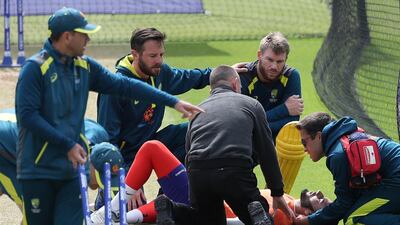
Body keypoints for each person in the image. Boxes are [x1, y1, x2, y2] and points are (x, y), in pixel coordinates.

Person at [14, 7, 203, 225]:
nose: (88, 40)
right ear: (67, 37)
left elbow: (125, 85)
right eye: (84, 34)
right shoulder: (35, 69)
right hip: (39, 167)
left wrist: (173, 101)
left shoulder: (83, 66)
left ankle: (114, 201)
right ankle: (109, 198)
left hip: (71, 166)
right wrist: (66, 144)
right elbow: (27, 116)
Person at [155, 65, 294, 225]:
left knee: (203, 218)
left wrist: (195, 194)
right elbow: (266, 150)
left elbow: (189, 152)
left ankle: (170, 208)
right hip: (233, 170)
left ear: (211, 90)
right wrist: (277, 191)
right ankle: (256, 215)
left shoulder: (197, 111)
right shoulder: (252, 105)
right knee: (257, 211)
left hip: (198, 171)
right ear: (235, 84)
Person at [97, 27, 246, 167]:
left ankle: (176, 187)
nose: (159, 61)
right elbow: (108, 140)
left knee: (198, 128)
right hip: (125, 156)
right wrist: (122, 178)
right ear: (135, 54)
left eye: (161, 54)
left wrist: (221, 73)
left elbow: (188, 77)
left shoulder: (159, 72)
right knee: (129, 195)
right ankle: (107, 194)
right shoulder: (114, 89)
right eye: (153, 56)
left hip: (150, 142)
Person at [90, 140, 331, 225]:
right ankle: (112, 215)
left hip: (204, 202)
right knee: (154, 153)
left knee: (153, 149)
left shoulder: (283, 217)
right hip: (202, 192)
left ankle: (109, 216)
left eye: (323, 203)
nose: (321, 193)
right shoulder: (284, 199)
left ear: (309, 215)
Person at [0, 113, 113, 225]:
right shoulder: (62, 158)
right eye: (99, 178)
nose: (98, 186)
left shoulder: (99, 136)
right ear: (90, 161)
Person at [294, 112, 400, 225]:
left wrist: (309, 220)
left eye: (304, 142)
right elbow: (351, 197)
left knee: (353, 219)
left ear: (319, 136)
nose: (304, 149)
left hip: (396, 178)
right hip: (393, 178)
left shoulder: (338, 155)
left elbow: (344, 202)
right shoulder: (343, 140)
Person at [239, 32, 303, 141]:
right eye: (270, 60)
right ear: (259, 55)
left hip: (278, 145)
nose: (274, 66)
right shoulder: (244, 76)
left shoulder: (291, 76)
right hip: (247, 144)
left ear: (286, 59)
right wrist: (284, 109)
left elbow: (291, 125)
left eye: (280, 61)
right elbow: (244, 124)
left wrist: (257, 125)